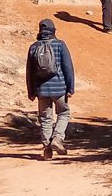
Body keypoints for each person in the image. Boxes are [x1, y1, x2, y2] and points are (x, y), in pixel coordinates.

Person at [24, 18, 75, 159]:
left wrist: (31, 91)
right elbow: (68, 67)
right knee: (63, 113)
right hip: (59, 88)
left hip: (41, 90)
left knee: (45, 119)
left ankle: (47, 148)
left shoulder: (34, 47)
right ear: (53, 31)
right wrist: (70, 88)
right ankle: (58, 139)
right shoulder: (60, 45)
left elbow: (30, 72)